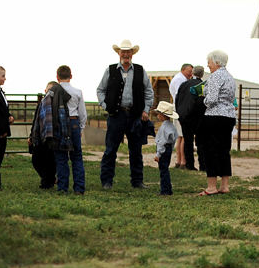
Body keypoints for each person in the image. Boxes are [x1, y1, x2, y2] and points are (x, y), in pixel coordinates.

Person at [97, 39, 154, 190]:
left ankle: (137, 181)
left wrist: (145, 110)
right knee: (110, 149)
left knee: (136, 150)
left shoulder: (140, 70)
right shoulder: (110, 70)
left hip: (135, 116)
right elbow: (100, 90)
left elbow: (149, 91)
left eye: (128, 52)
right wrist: (105, 106)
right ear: (119, 53)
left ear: (132, 54)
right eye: (123, 51)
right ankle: (107, 181)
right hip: (116, 115)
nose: (126, 54)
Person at [199, 49, 236, 196]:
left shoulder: (215, 77)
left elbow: (212, 99)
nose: (208, 65)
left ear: (216, 62)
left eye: (209, 62)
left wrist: (203, 99)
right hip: (229, 116)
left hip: (214, 116)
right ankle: (224, 185)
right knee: (224, 150)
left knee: (211, 150)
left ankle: (212, 186)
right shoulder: (230, 77)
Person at [55, 65, 87, 195]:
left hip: (59, 124)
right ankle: (79, 187)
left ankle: (62, 188)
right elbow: (83, 113)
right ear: (71, 76)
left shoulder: (54, 92)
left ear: (57, 78)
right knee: (77, 156)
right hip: (73, 122)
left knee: (61, 157)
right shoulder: (77, 92)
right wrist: (80, 127)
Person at [27, 82, 58, 190]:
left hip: (51, 136)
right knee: (36, 160)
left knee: (50, 161)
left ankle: (46, 184)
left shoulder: (56, 105)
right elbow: (36, 121)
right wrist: (32, 136)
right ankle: (51, 180)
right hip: (40, 137)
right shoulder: (41, 104)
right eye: (48, 90)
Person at [176, 65, 206, 171]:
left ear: (192, 73)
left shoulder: (184, 85)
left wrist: (179, 116)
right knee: (200, 142)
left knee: (187, 142)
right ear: (202, 74)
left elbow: (177, 100)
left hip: (184, 117)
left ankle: (189, 164)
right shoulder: (202, 86)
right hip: (199, 118)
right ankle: (203, 165)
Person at [152, 101, 179, 196]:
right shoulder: (172, 126)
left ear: (163, 116)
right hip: (169, 149)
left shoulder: (163, 128)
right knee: (166, 169)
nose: (157, 116)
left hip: (163, 150)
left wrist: (158, 154)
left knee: (163, 170)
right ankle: (168, 189)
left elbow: (161, 142)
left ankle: (164, 191)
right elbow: (175, 137)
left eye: (158, 114)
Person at [169, 64, 193, 169]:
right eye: (189, 71)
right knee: (183, 136)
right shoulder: (180, 80)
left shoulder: (177, 78)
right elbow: (182, 96)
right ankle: (183, 161)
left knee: (180, 136)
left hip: (177, 108)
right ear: (183, 69)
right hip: (180, 109)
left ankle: (179, 160)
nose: (191, 74)